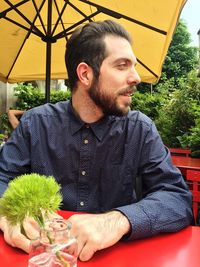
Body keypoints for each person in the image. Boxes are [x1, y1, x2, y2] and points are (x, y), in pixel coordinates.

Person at [0, 20, 193, 261]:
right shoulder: (35, 124)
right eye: (122, 66)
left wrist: (120, 219)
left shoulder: (139, 129)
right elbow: (3, 178)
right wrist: (5, 213)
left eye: (134, 66)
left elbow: (177, 197)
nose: (136, 77)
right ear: (85, 74)